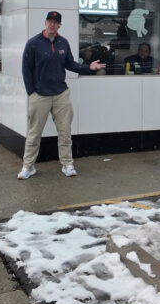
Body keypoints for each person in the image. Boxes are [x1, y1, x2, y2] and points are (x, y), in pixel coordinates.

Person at [19, 11, 105, 179]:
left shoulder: (63, 43)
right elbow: (26, 69)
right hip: (40, 95)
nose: (52, 24)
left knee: (65, 132)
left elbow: (71, 64)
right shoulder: (33, 43)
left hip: (61, 94)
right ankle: (28, 166)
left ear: (59, 25)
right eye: (50, 21)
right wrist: (32, 92)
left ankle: (67, 164)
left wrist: (89, 68)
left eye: (56, 22)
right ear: (45, 23)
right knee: (34, 133)